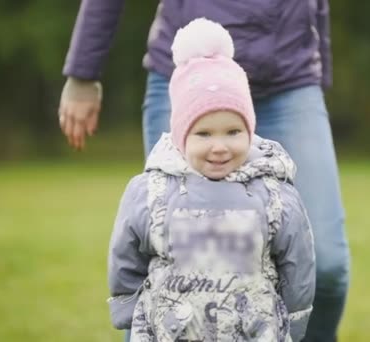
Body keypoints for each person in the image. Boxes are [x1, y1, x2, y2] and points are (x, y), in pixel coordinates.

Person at [59, 1, 349, 341]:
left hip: (291, 80)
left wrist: (319, 69)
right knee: (168, 257)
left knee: (326, 266)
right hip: (186, 76)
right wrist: (83, 72)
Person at [107, 18, 315, 341]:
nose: (219, 146)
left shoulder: (274, 192)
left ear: (250, 130)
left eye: (233, 131)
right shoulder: (152, 192)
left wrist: (295, 320)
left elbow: (297, 262)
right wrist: (127, 307)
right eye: (203, 134)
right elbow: (126, 254)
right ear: (181, 138)